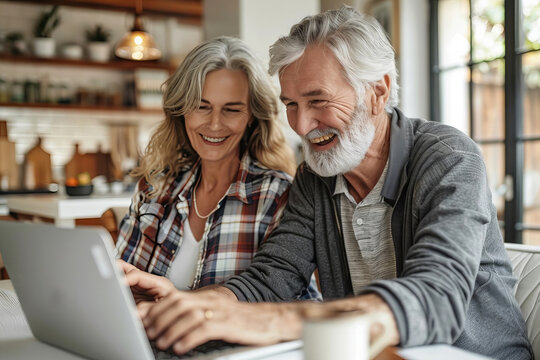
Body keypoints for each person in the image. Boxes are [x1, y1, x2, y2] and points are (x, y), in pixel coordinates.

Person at [120, 7, 533, 359]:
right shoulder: (314, 178)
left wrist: (268, 322)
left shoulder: (448, 159)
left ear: (377, 91)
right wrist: (187, 305)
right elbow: (272, 278)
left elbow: (436, 298)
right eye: (292, 105)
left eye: (318, 100)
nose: (301, 125)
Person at [115, 36, 319, 298]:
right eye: (201, 107)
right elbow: (118, 288)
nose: (213, 124)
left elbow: (299, 307)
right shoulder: (155, 188)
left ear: (251, 117)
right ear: (182, 110)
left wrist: (177, 305)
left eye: (231, 110)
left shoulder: (277, 196)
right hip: (142, 339)